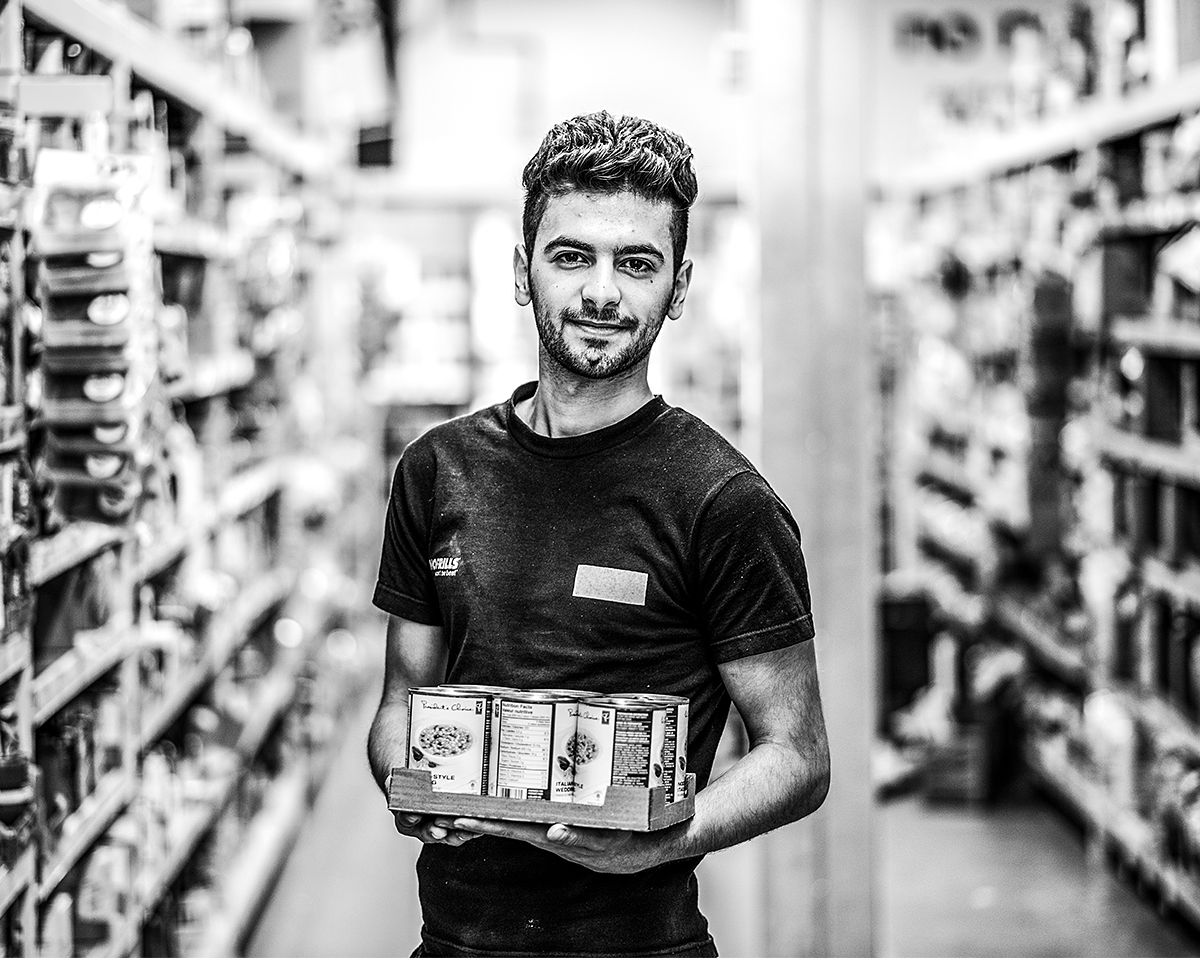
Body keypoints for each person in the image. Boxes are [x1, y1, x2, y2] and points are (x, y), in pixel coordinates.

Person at [367, 110, 830, 958]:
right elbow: (402, 698)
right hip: (455, 943)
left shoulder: (722, 500)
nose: (603, 293)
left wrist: (663, 838)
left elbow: (797, 757)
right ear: (523, 271)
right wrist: (412, 781)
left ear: (679, 288)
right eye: (572, 254)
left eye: (638, 263)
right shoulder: (436, 471)